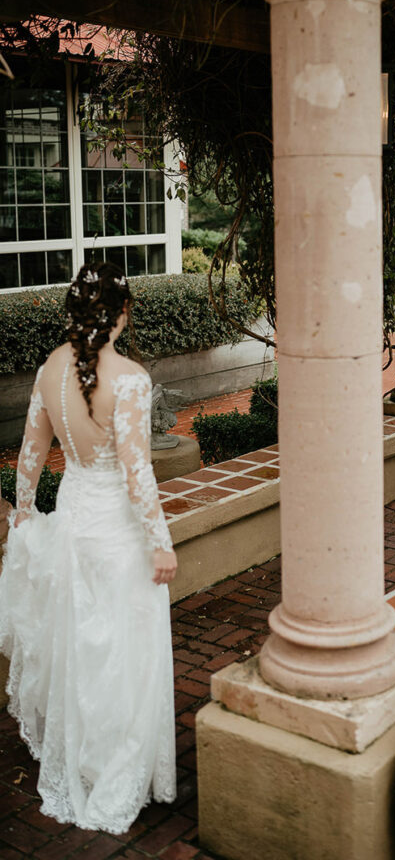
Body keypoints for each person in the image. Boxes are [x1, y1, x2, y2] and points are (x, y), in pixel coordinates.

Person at [0, 261, 177, 833]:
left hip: (72, 524)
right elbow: (137, 475)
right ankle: (116, 769)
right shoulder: (129, 378)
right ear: (122, 313)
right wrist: (161, 543)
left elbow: (30, 452)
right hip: (118, 533)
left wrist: (23, 519)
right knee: (123, 653)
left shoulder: (50, 368)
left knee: (80, 650)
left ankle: (81, 760)